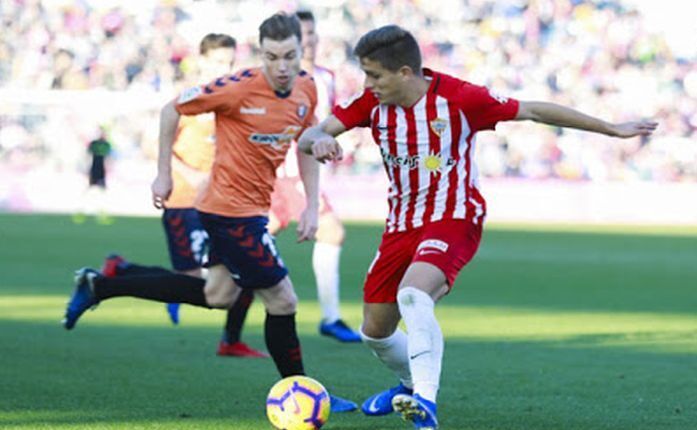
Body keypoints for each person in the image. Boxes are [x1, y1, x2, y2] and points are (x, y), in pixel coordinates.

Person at [298, 25, 657, 429]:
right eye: (364, 75)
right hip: (401, 225)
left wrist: (611, 129)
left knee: (414, 296)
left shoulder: (461, 98)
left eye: (374, 75)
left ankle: (425, 404)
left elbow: (535, 111)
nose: (368, 84)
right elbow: (310, 134)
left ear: (403, 72)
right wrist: (320, 140)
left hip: (454, 218)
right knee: (375, 332)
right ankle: (407, 384)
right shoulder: (370, 104)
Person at [63, 12, 356, 412]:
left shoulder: (306, 88)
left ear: (301, 51)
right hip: (228, 212)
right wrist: (163, 174)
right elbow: (171, 110)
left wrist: (310, 202)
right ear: (260, 54)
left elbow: (305, 142)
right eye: (272, 57)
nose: (282, 66)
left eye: (290, 55)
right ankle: (302, 393)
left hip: (251, 208)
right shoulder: (236, 89)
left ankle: (101, 285)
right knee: (283, 300)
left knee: (217, 295)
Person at [101, 33, 267, 358]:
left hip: (221, 204)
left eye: (230, 62)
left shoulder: (233, 98)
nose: (226, 68)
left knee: (246, 269)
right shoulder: (191, 99)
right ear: (202, 61)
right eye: (219, 61)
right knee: (193, 283)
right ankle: (121, 270)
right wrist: (188, 175)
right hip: (185, 201)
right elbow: (154, 144)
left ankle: (231, 340)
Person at [261, 9, 360, 343]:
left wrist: (332, 143)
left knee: (253, 242)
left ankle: (210, 285)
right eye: (302, 34)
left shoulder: (325, 77)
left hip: (305, 171)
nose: (310, 39)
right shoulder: (278, 80)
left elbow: (324, 124)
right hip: (286, 173)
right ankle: (330, 317)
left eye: (312, 33)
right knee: (331, 232)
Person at [73, 128, 113, 224]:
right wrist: (85, 169)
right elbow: (87, 156)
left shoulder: (107, 144)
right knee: (89, 191)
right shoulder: (94, 144)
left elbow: (109, 158)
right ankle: (80, 212)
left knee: (102, 192)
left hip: (101, 170)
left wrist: (109, 168)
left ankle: (101, 214)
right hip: (94, 169)